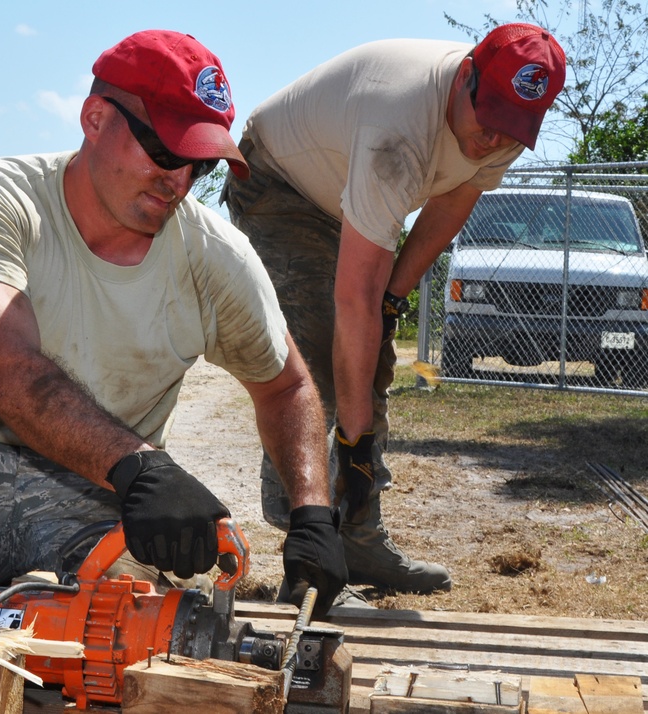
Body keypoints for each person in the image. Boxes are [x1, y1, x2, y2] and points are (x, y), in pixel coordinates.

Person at [0, 29, 348, 620]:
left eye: (199, 164)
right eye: (165, 151)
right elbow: (7, 369)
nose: (179, 181)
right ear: (95, 118)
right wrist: (145, 466)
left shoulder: (217, 257)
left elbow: (287, 385)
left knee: (145, 636)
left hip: (104, 484)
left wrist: (313, 517)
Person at [221, 24, 565, 595]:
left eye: (510, 130)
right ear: (466, 77)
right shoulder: (398, 127)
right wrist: (353, 441)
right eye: (487, 121)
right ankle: (309, 547)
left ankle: (359, 538)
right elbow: (352, 301)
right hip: (279, 184)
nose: (491, 142)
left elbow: (452, 202)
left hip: (340, 195)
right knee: (319, 359)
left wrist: (392, 301)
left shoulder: (502, 126)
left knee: (367, 346)